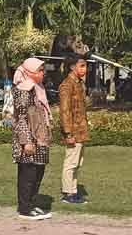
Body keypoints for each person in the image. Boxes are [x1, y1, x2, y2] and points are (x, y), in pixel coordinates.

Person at [11, 58, 53, 220]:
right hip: (28, 139)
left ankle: (31, 203)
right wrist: (26, 141)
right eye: (40, 71)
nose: (43, 73)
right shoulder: (23, 90)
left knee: (38, 172)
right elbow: (21, 117)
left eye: (43, 70)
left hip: (40, 137)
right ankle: (24, 208)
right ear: (29, 72)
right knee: (28, 174)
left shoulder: (38, 88)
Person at [59, 54, 89, 205]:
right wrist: (68, 133)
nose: (85, 69)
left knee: (78, 163)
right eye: (81, 66)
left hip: (81, 130)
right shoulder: (67, 85)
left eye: (85, 65)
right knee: (71, 162)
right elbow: (64, 111)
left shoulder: (79, 84)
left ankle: (74, 191)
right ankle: (67, 193)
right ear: (72, 67)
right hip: (73, 132)